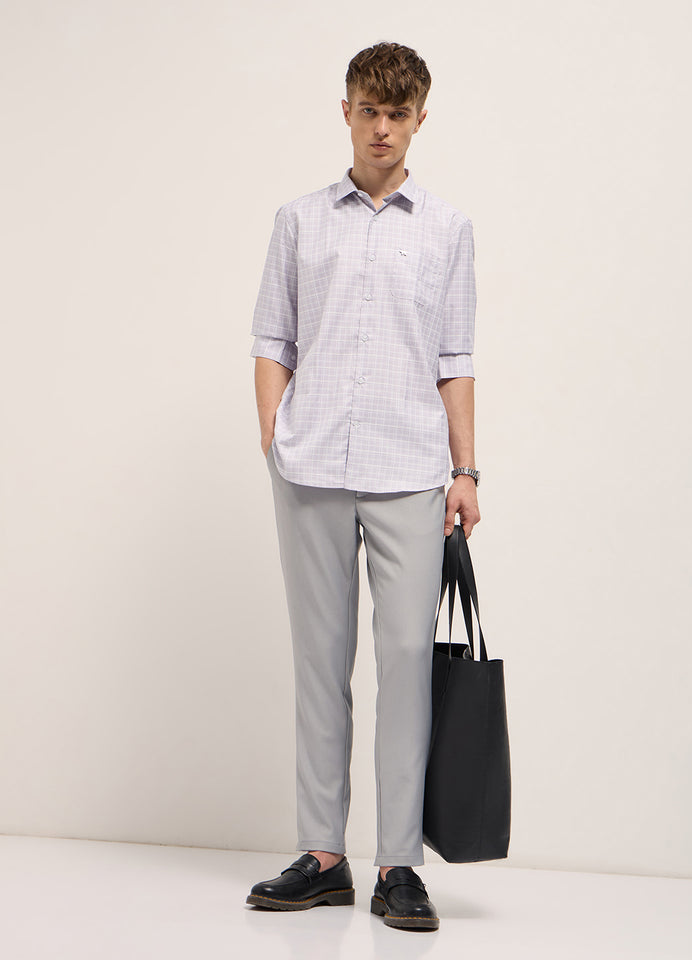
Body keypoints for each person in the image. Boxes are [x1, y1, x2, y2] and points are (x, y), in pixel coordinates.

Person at [245, 41, 480, 932]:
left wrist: (465, 470)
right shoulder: (300, 221)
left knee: (408, 663)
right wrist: (273, 432)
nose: (382, 128)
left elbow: (455, 357)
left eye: (398, 114)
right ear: (346, 112)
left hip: (411, 469)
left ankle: (398, 864)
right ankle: (322, 855)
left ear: (420, 119)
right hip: (310, 467)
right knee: (320, 662)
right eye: (369, 111)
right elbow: (273, 337)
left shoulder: (447, 228)